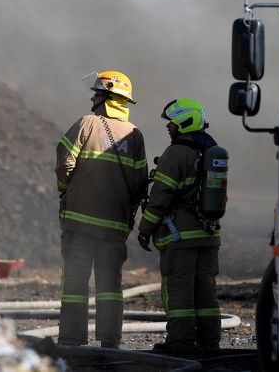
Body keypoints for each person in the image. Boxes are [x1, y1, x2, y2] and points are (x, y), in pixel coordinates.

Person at [55, 70, 147, 348]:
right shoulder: (135, 135)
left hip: (79, 225)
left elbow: (63, 164)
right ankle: (110, 340)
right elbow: (140, 184)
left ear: (107, 97)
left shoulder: (87, 124)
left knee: (74, 285)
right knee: (110, 288)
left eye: (97, 92)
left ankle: (72, 339)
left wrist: (66, 192)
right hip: (114, 228)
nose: (93, 98)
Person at [137, 98, 222, 352]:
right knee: (206, 291)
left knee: (179, 291)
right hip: (208, 236)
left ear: (185, 122)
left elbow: (160, 197)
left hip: (180, 237)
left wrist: (144, 230)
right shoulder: (210, 151)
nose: (168, 128)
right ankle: (209, 343)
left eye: (171, 123)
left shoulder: (177, 153)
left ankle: (180, 343)